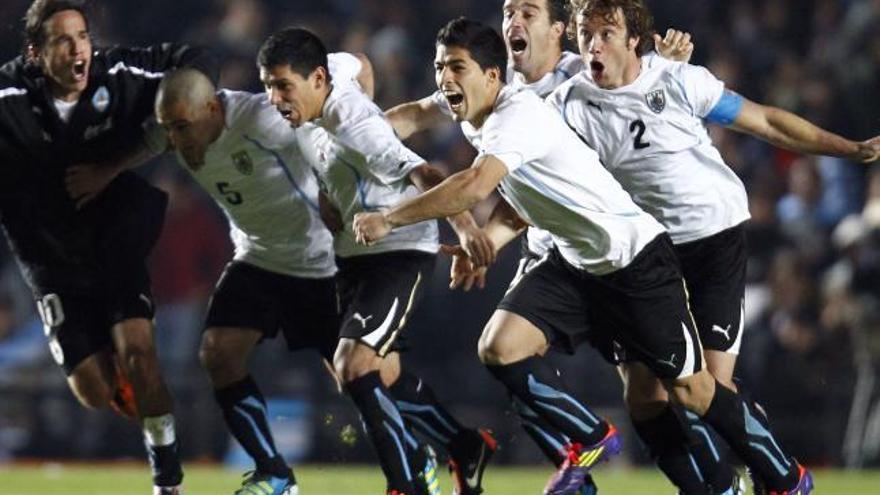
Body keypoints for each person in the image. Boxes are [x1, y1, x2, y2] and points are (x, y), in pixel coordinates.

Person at [353, 17, 814, 495]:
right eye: (438, 67)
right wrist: (346, 128)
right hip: (575, 264)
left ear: (492, 75)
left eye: (455, 67)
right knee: (501, 347)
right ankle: (593, 437)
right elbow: (414, 115)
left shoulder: (518, 115)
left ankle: (786, 476)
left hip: (634, 262)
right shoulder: (474, 106)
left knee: (690, 390)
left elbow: (473, 185)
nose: (444, 78)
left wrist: (389, 218)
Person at [551, 1, 880, 493]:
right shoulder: (568, 104)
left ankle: (785, 478)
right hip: (646, 255)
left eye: (606, 32)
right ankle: (713, 487)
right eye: (584, 33)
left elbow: (765, 122)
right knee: (645, 397)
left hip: (712, 241)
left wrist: (848, 149)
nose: (593, 43)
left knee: (705, 390)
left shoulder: (677, 79)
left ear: (633, 38)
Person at [256, 27, 496, 495]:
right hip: (353, 252)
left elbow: (426, 171)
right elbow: (359, 61)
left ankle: (406, 484)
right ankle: (464, 445)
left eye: (283, 86)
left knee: (355, 365)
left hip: (399, 247)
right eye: (267, 85)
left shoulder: (356, 126)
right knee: (376, 376)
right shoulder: (328, 85)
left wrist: (467, 231)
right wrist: (332, 188)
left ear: (317, 78)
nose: (273, 98)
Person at [0, 1, 217, 493]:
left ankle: (168, 481)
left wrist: (128, 155)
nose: (79, 48)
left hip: (114, 246)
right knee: (94, 392)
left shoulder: (118, 72)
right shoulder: (8, 95)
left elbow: (198, 59)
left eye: (82, 36)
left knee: (141, 354)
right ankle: (123, 383)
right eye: (62, 40)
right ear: (35, 52)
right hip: (50, 261)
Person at [147, 55, 372, 495]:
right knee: (218, 353)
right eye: (167, 130)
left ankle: (423, 456)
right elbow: (143, 142)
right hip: (259, 258)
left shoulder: (263, 118)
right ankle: (274, 472)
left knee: (357, 377)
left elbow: (356, 65)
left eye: (182, 128)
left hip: (321, 261)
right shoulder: (177, 126)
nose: (174, 141)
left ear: (212, 110)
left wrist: (356, 142)